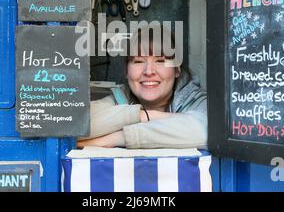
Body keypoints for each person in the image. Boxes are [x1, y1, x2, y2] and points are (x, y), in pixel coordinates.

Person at [77, 25, 208, 149]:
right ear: (126, 71)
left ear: (177, 70)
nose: (149, 71)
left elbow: (205, 131)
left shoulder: (195, 99)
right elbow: (74, 124)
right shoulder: (119, 98)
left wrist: (119, 137)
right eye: (138, 61)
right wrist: (142, 116)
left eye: (160, 61)